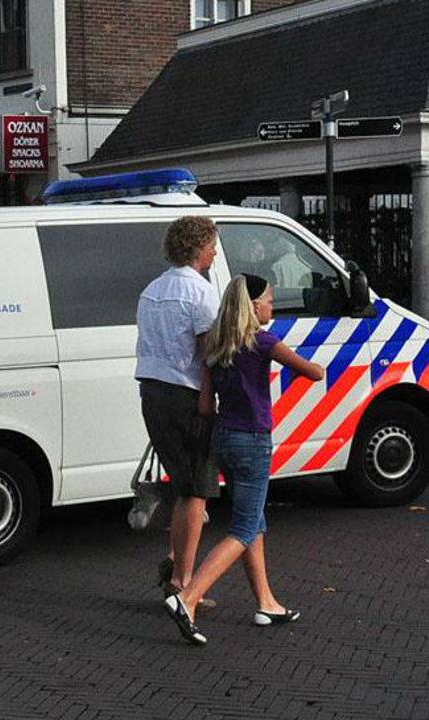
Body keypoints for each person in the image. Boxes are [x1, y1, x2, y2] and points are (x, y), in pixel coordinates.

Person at [163, 274, 324, 646]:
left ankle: (266, 603)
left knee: (254, 521)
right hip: (252, 441)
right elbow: (313, 372)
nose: (271, 306)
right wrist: (318, 369)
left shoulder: (216, 345)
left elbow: (206, 406)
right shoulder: (262, 341)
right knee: (243, 529)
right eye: (268, 300)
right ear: (253, 306)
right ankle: (188, 599)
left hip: (223, 439)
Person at [135, 216, 221, 603]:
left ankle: (174, 562)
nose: (214, 251)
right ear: (198, 246)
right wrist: (209, 397)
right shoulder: (200, 292)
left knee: (182, 486)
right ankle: (183, 585)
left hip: (151, 394)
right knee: (197, 490)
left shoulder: (151, 290)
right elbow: (208, 352)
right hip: (186, 395)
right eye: (212, 244)